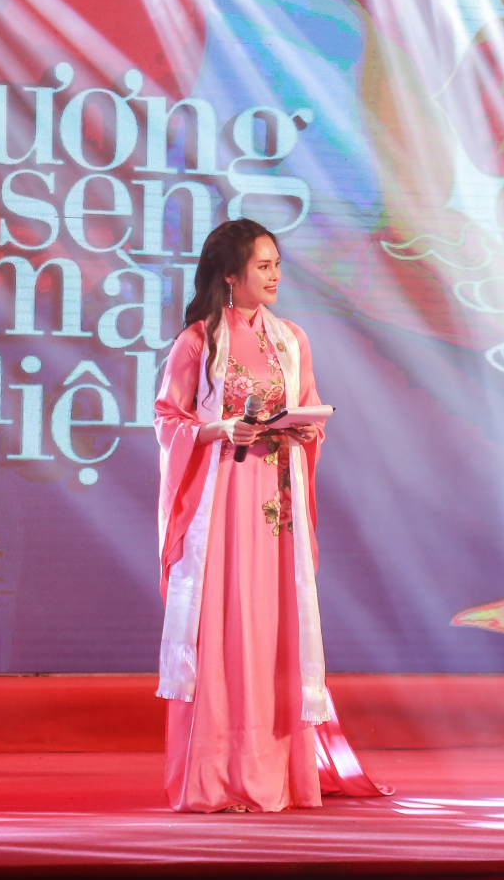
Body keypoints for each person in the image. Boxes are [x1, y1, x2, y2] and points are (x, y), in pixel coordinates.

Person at [154, 218, 384, 812]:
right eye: (263, 266)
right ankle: (217, 778)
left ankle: (280, 773)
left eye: (277, 264)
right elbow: (168, 420)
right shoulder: (198, 342)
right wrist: (219, 428)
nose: (276, 275)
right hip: (222, 502)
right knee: (224, 626)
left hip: (277, 502)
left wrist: (304, 428)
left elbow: (307, 407)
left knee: (274, 624)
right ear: (231, 276)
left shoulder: (291, 339)